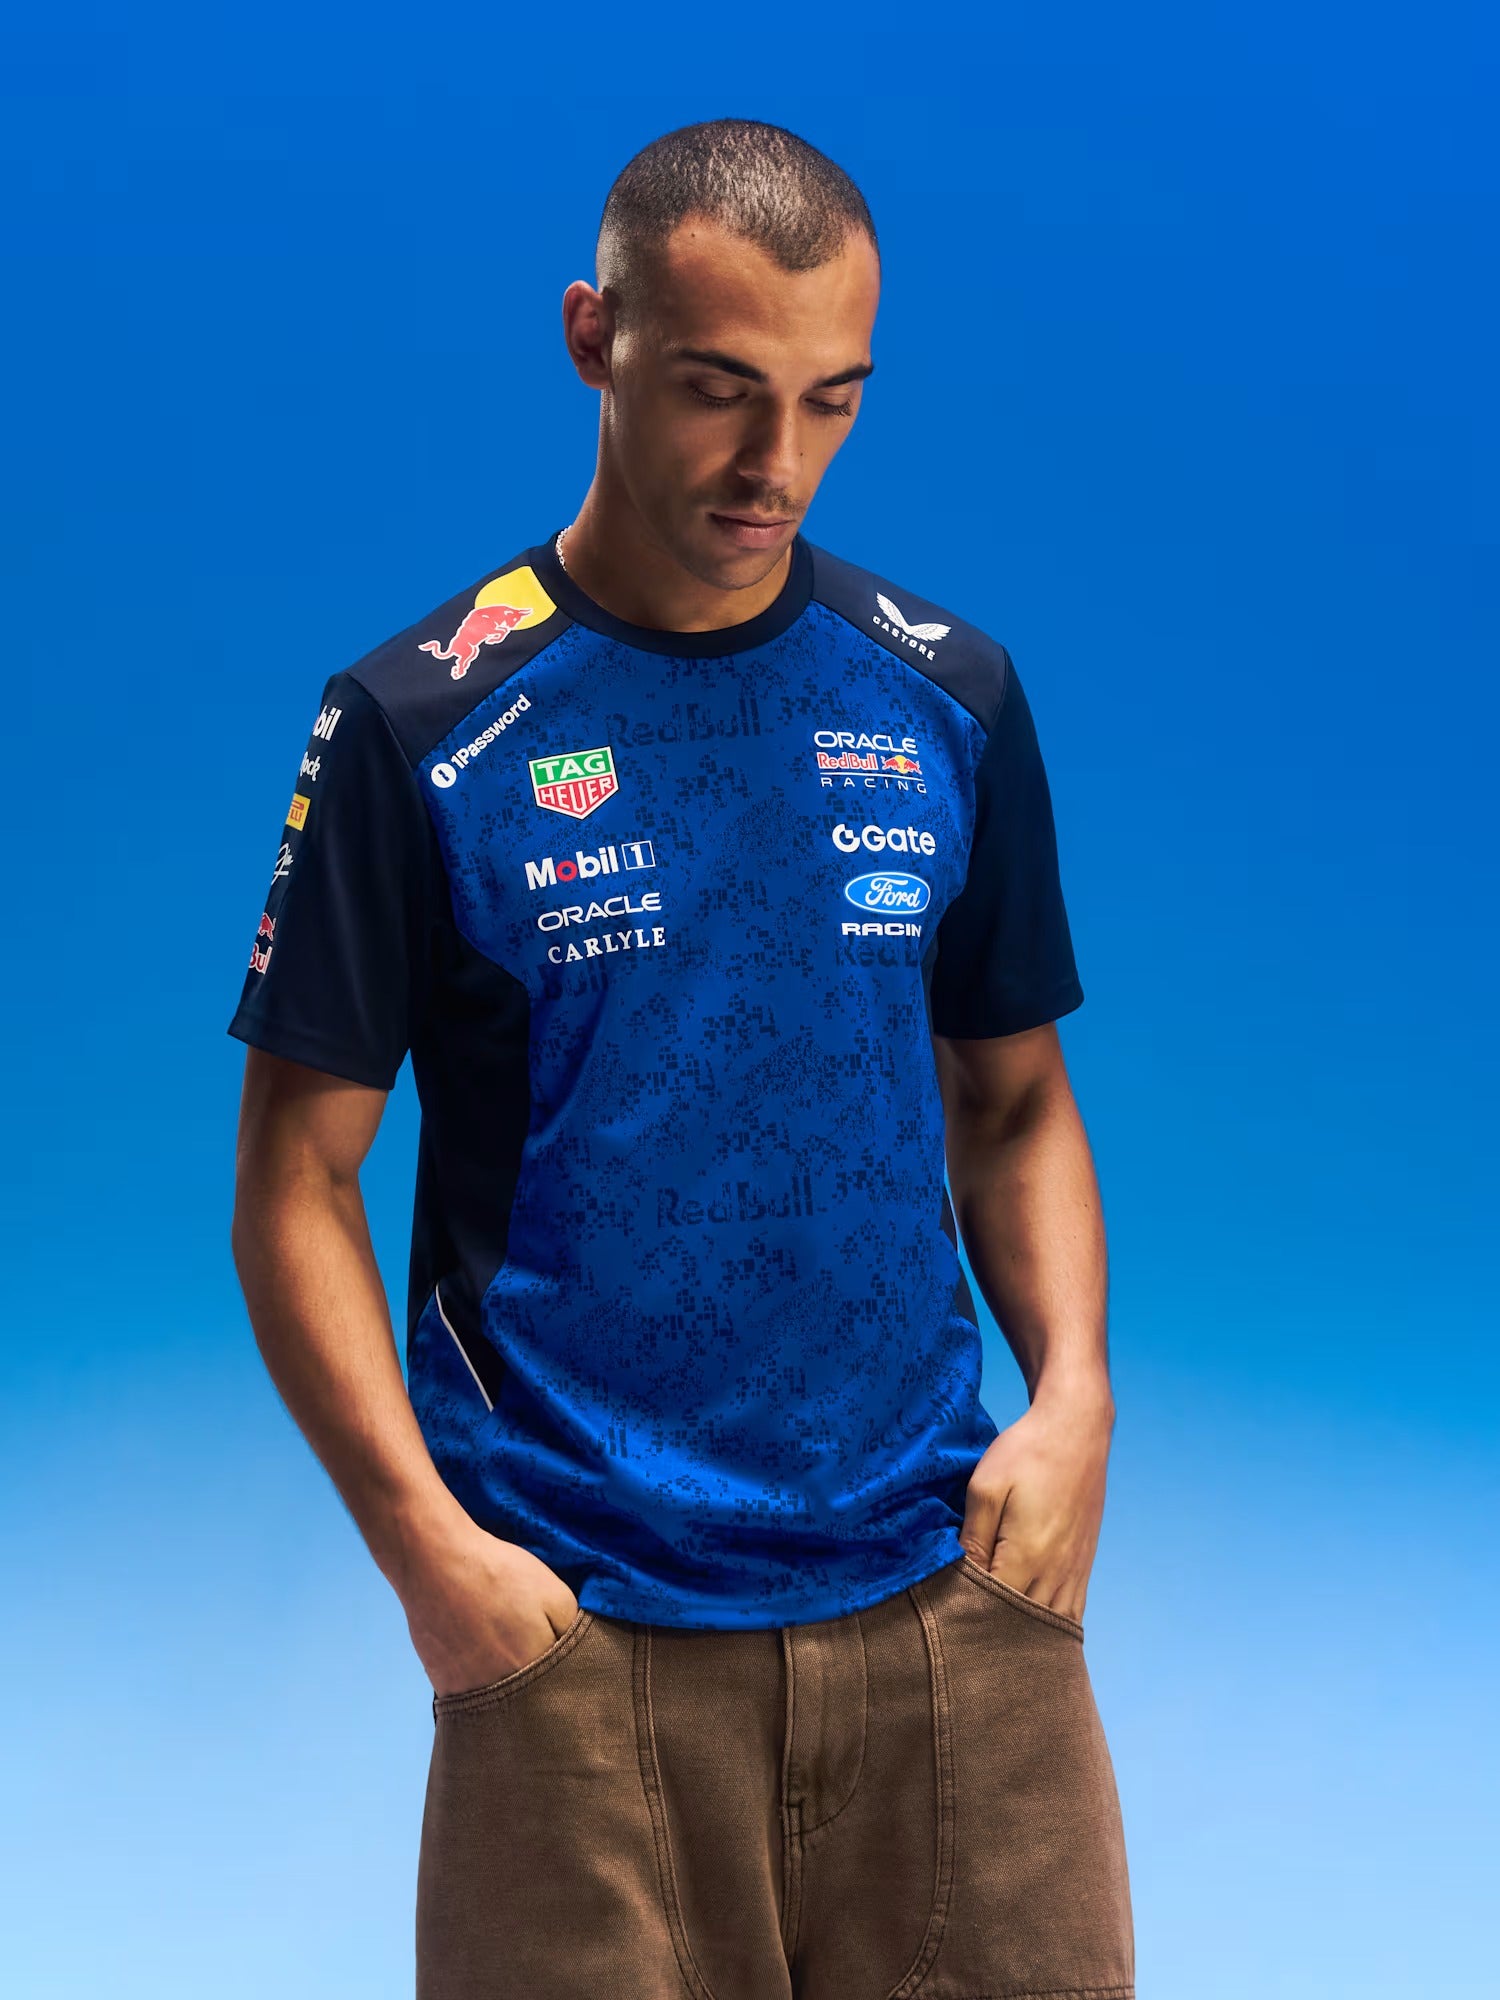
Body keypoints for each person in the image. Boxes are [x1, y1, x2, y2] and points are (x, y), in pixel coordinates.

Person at [228, 118, 1134, 2000]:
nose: (773, 462)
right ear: (595, 336)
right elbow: (296, 1183)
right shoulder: (419, 727)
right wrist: (428, 1556)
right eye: (721, 389)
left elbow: (1017, 1101)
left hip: (950, 1609)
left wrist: (1074, 1407)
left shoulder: (947, 694)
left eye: (831, 400)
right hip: (575, 1638)